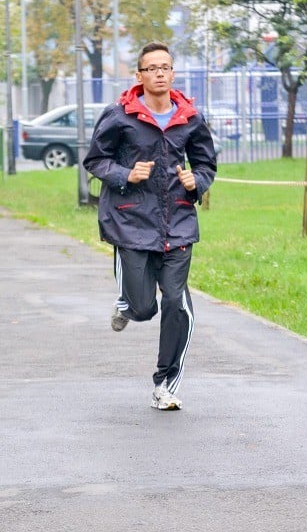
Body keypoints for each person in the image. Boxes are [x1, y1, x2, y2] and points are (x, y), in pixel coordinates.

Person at [83, 41, 217, 411]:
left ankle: (166, 383)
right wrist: (127, 173)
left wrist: (197, 182)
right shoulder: (119, 115)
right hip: (130, 221)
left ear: (173, 74)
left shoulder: (190, 118)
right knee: (145, 309)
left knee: (177, 303)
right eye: (151, 68)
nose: (159, 73)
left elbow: (206, 164)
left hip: (177, 223)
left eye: (165, 67)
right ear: (139, 76)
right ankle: (128, 303)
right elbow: (95, 161)